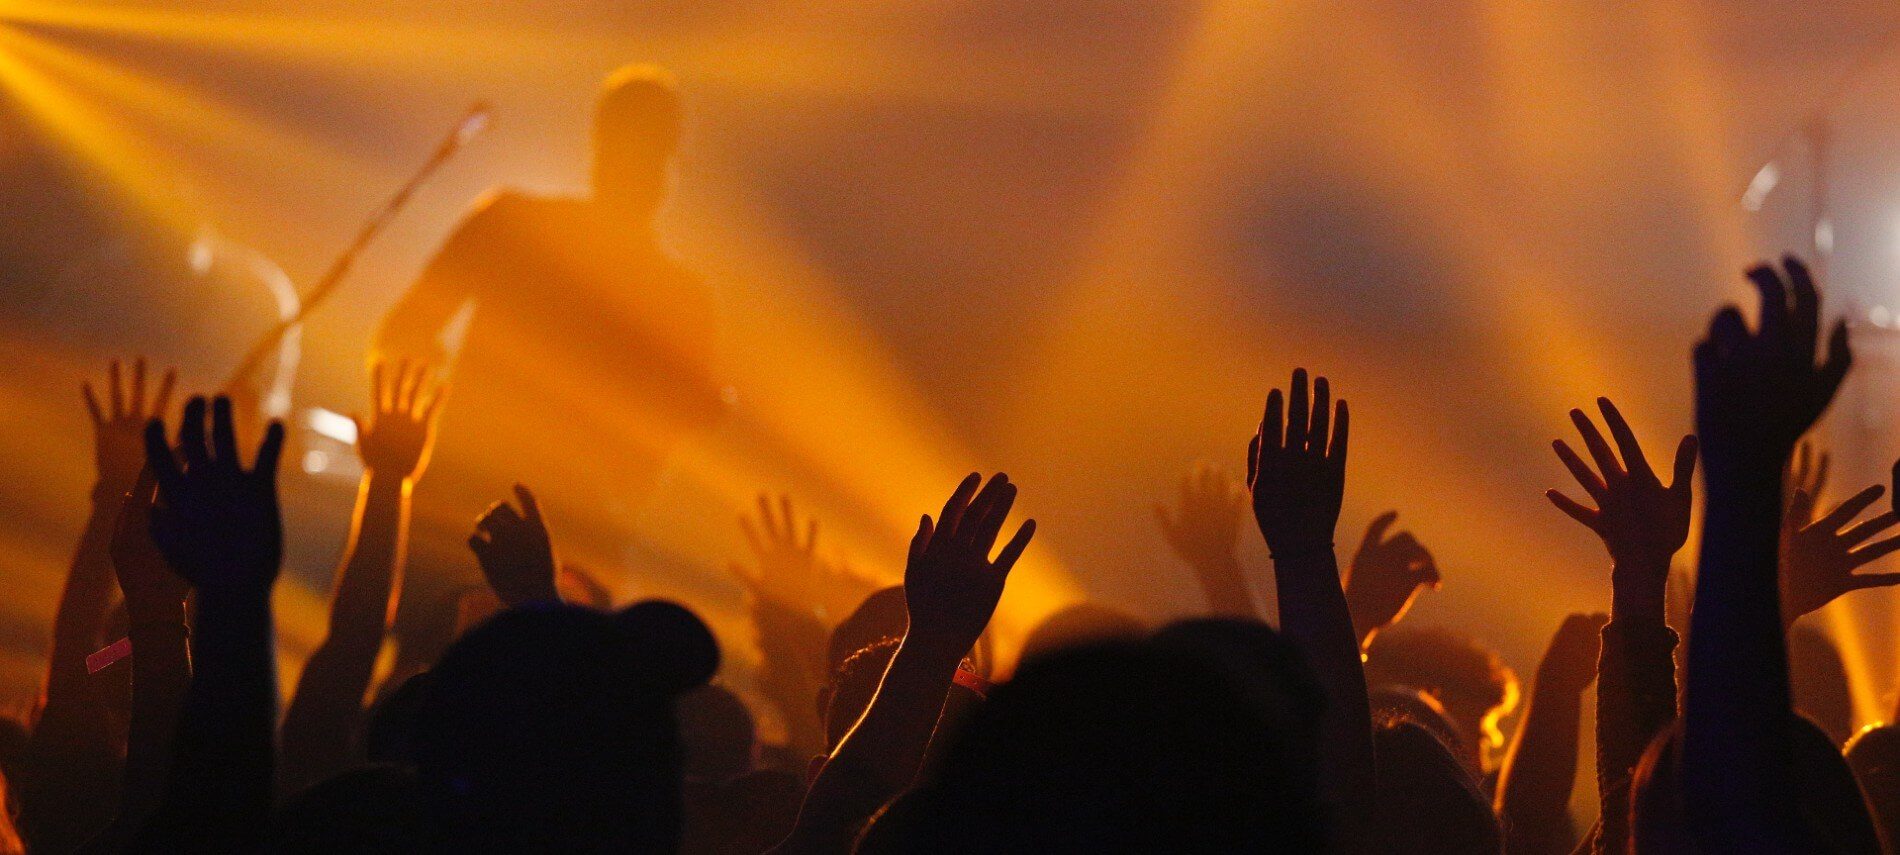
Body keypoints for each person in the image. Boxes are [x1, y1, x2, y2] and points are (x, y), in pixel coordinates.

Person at [375, 63, 723, 577]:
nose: (641, 169)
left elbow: (403, 330)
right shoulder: (681, 298)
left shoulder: (512, 224)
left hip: (511, 524)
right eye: (637, 150)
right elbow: (404, 331)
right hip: (516, 527)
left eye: (648, 152)